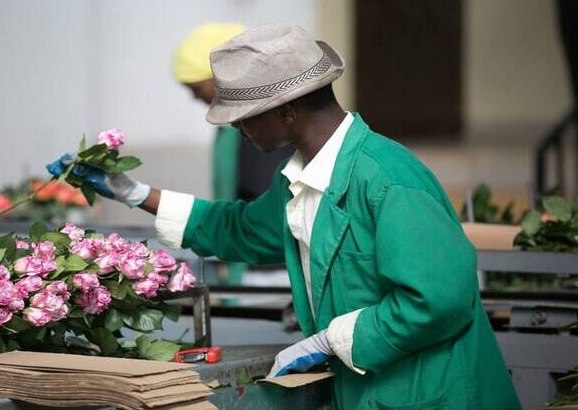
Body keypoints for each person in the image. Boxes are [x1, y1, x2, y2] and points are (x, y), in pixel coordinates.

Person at [48, 24, 520, 409]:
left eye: (243, 114)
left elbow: (437, 300)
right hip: (377, 390)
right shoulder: (300, 178)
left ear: (287, 112)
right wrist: (135, 193)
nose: (234, 126)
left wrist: (329, 341)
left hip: (438, 392)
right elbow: (240, 230)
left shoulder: (387, 179)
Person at [173, 23, 295, 284]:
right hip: (246, 256)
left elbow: (264, 200)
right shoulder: (229, 130)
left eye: (195, 87)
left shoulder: (265, 129)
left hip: (271, 270)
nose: (194, 97)